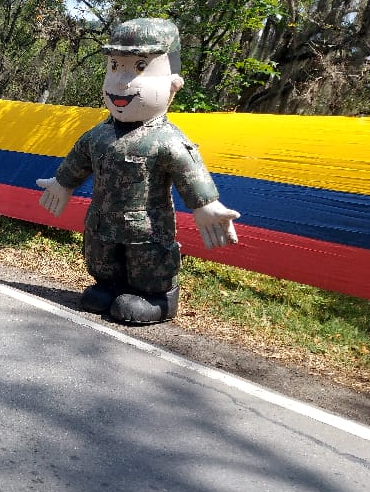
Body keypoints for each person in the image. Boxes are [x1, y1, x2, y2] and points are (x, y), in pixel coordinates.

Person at [36, 18, 240, 324]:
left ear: (174, 84)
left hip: (147, 230)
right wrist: (62, 184)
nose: (121, 81)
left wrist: (206, 205)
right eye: (115, 66)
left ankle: (160, 298)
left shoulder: (167, 140)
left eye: (140, 67)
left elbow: (190, 172)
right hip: (102, 223)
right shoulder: (99, 135)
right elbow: (78, 161)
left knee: (148, 264)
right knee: (100, 257)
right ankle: (109, 285)